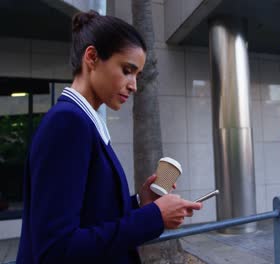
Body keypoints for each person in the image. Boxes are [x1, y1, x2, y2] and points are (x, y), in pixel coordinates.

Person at [16, 10, 202, 264]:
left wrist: (140, 203)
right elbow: (56, 249)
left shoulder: (84, 122)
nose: (134, 85)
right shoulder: (68, 123)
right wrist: (154, 217)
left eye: (137, 75)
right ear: (91, 57)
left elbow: (91, 215)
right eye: (127, 70)